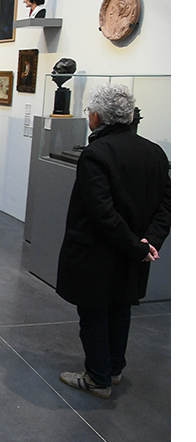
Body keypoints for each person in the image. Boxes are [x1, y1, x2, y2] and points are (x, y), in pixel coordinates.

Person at [56, 84, 171, 399]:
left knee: (94, 313)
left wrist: (137, 246)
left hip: (99, 254)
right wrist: (148, 242)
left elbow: (102, 214)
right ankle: (114, 368)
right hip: (133, 255)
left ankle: (97, 378)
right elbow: (166, 205)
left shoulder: (96, 154)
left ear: (96, 117)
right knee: (121, 307)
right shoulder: (155, 152)